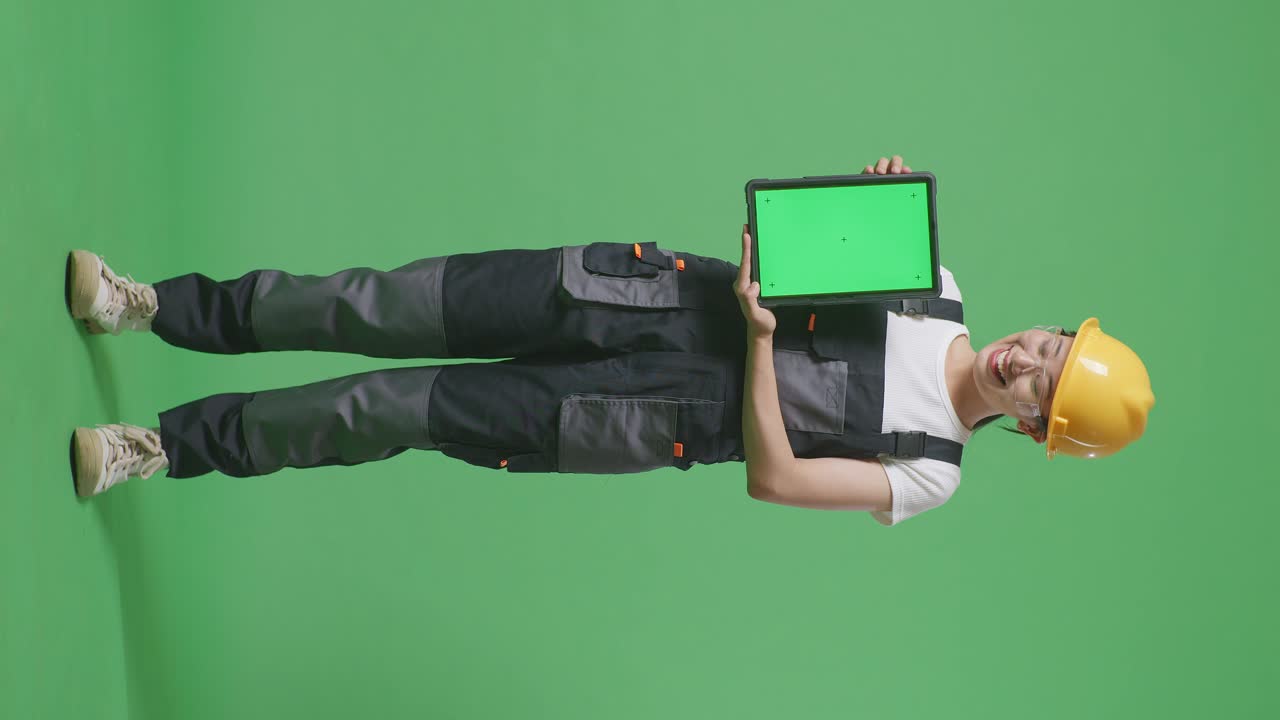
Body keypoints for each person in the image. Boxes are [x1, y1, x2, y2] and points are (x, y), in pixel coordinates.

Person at [65, 155, 1155, 526]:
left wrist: (764, 340)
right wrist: (846, 206)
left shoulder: (929, 471)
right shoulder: (938, 285)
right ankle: (150, 304)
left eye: (1041, 387)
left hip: (624, 419)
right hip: (620, 296)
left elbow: (775, 478)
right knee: (371, 302)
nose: (1025, 359)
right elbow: (792, 251)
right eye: (1049, 345)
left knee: (382, 409)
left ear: (1030, 428)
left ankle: (158, 447)